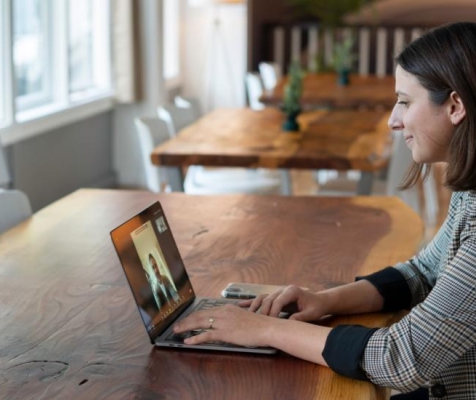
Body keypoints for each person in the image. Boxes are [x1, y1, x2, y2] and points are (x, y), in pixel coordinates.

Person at [174, 21, 476, 399]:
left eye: (405, 101)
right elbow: (422, 273)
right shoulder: (471, 192)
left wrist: (264, 331)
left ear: (454, 106)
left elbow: (401, 357)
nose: (393, 120)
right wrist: (324, 301)